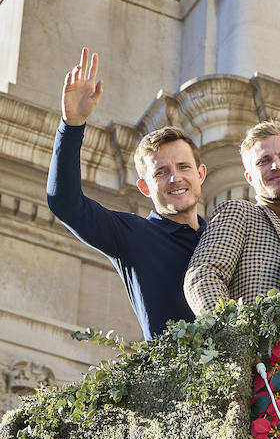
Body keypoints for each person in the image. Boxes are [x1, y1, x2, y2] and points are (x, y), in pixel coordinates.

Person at [46, 48, 206, 339]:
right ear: (144, 187)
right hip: (176, 381)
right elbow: (65, 203)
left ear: (201, 174)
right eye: (160, 172)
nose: (175, 178)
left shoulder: (222, 235)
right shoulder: (134, 236)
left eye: (184, 167)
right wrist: (72, 124)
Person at [185, 122, 280, 314]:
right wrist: (234, 336)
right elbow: (203, 275)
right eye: (263, 161)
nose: (276, 166)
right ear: (249, 177)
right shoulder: (240, 212)